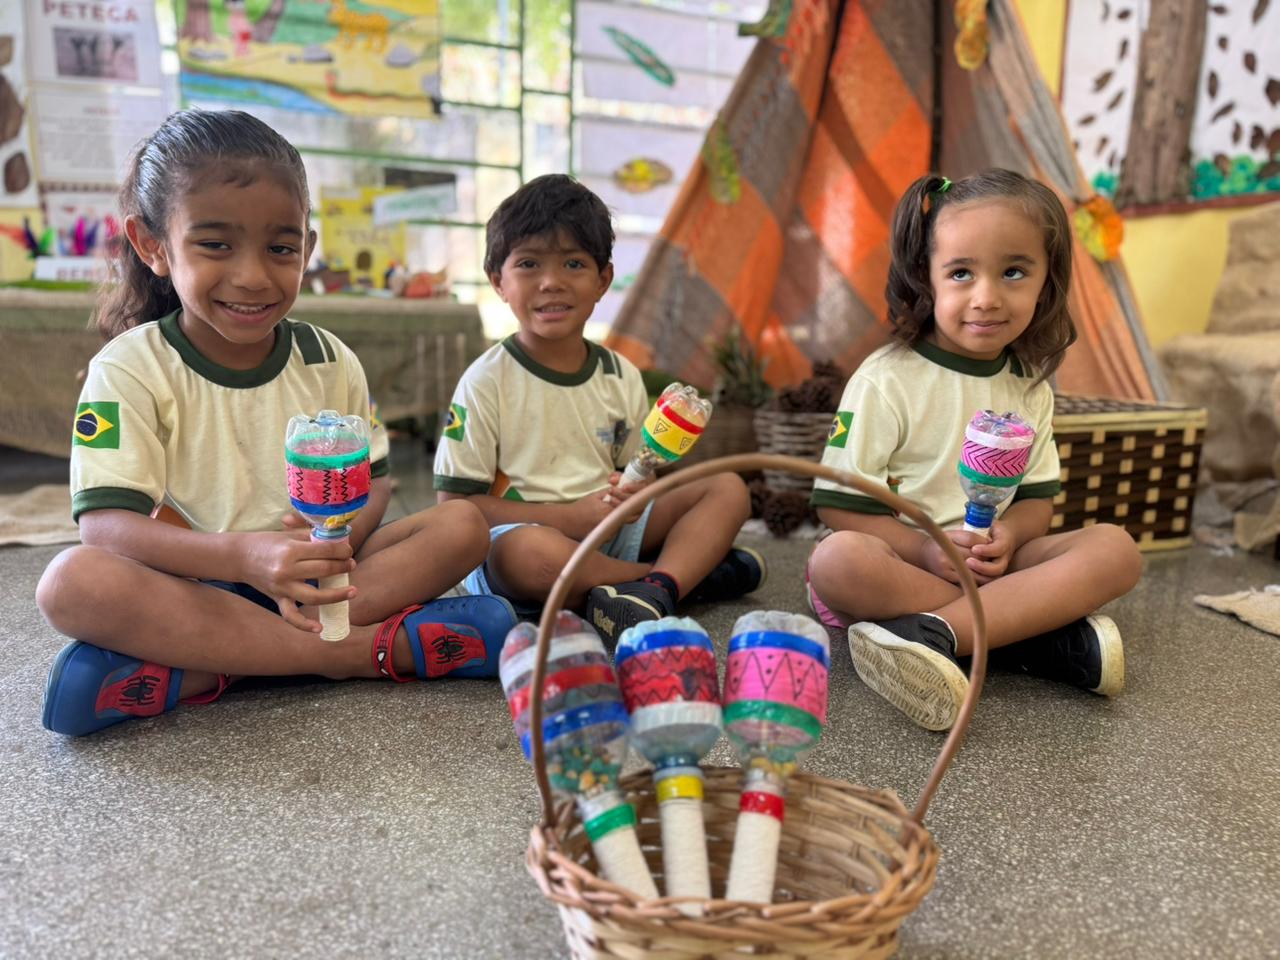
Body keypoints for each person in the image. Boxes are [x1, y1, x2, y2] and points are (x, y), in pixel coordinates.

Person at [37, 109, 516, 737]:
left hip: (322, 580)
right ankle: (361, 653)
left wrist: (329, 548)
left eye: (281, 248)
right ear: (153, 245)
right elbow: (105, 527)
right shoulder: (130, 368)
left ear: (307, 249)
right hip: (197, 588)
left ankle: (210, 668)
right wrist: (243, 556)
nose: (253, 276)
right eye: (215, 245)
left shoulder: (329, 359)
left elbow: (374, 484)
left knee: (461, 526)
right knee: (71, 583)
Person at [807, 169, 1143, 731]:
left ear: (1046, 282)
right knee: (836, 562)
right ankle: (1026, 636)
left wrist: (1010, 536)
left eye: (1014, 272)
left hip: (994, 567)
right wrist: (926, 550)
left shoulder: (1029, 385)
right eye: (961, 273)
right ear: (927, 278)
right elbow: (840, 508)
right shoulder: (886, 379)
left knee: (1117, 551)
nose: (986, 298)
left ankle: (938, 636)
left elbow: (1036, 502)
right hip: (903, 564)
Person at [432, 174, 763, 644]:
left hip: (611, 531)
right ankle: (676, 579)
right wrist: (571, 519)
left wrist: (634, 491)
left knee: (727, 487)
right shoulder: (486, 381)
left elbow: (637, 471)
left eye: (573, 263)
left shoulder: (619, 374)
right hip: (526, 539)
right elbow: (454, 508)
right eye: (528, 264)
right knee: (530, 556)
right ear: (498, 282)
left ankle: (645, 586)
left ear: (603, 280)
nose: (552, 282)